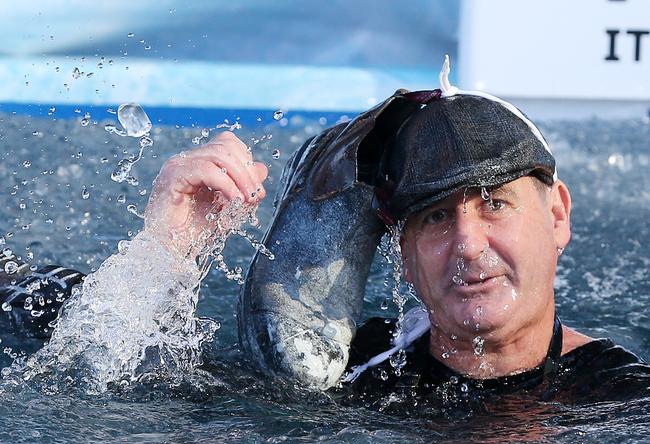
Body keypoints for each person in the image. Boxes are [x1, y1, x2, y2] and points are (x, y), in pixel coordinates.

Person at [1, 60, 649, 404]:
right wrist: (166, 251)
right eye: (434, 218)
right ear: (401, 252)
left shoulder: (617, 406)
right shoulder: (354, 377)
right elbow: (103, 387)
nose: (468, 245)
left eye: (494, 204)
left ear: (557, 215)